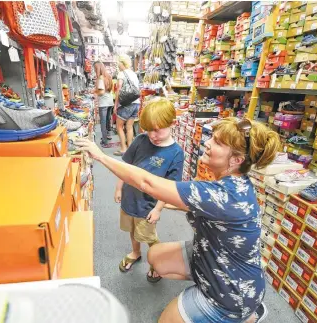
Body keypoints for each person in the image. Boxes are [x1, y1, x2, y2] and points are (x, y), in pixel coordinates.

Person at [75, 118, 280, 323]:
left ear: (236, 160)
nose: (207, 143)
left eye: (217, 142)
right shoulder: (234, 185)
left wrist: (101, 156)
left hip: (232, 293)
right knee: (155, 256)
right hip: (211, 256)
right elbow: (185, 202)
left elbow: (147, 182)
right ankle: (208, 285)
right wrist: (161, 203)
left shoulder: (223, 194)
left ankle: (244, 316)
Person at [114, 98, 184, 282]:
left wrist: (158, 208)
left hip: (148, 206)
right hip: (129, 199)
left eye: (157, 129)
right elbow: (126, 167)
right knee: (132, 230)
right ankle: (135, 252)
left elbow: (169, 187)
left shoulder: (176, 153)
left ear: (172, 124)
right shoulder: (140, 140)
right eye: (148, 129)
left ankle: (156, 262)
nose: (152, 135)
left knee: (149, 237)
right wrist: (119, 188)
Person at [113, 54, 140, 156]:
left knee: (119, 127)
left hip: (126, 104)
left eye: (118, 62)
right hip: (136, 103)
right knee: (129, 127)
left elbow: (118, 89)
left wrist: (115, 105)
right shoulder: (134, 74)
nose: (117, 64)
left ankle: (123, 149)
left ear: (121, 62)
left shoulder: (121, 73)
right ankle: (130, 149)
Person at [94, 61, 114, 148]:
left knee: (103, 122)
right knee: (107, 120)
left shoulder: (101, 78)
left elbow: (101, 92)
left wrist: (95, 91)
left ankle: (105, 141)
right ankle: (108, 135)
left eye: (95, 68)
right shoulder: (108, 76)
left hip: (104, 103)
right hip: (110, 102)